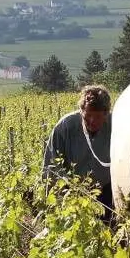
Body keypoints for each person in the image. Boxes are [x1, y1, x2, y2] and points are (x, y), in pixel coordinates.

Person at [41, 84, 113, 223]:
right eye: (88, 115)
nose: (92, 121)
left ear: (106, 114)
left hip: (106, 193)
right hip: (72, 193)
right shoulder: (65, 127)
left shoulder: (115, 126)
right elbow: (52, 167)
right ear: (81, 111)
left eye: (97, 116)